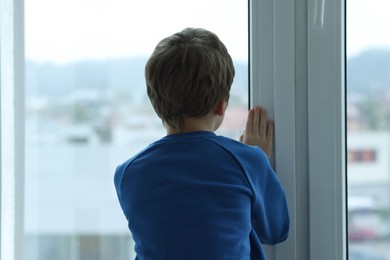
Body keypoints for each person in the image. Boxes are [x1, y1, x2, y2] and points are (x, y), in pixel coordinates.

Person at [114, 28, 289, 260]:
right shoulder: (246, 162)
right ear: (220, 105)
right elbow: (276, 230)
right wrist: (258, 161)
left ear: (156, 103)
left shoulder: (127, 174)